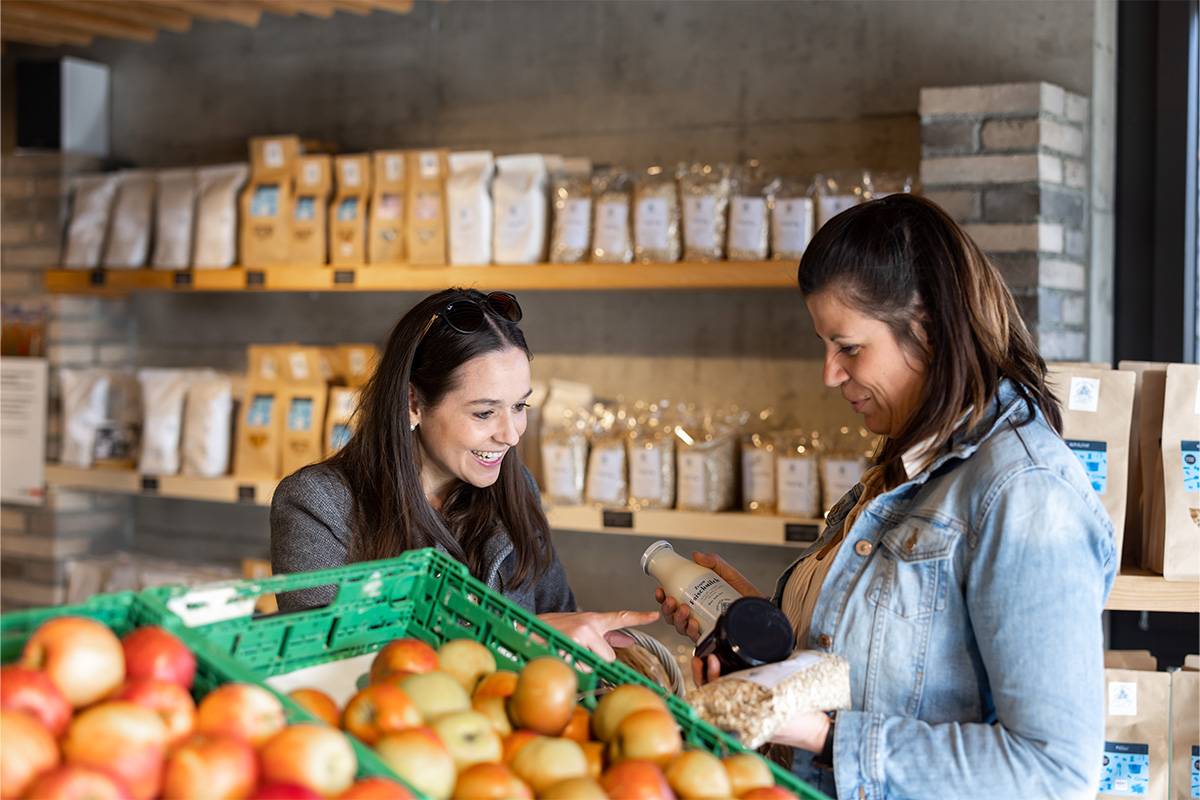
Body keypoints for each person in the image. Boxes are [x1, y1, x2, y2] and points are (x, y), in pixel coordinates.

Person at [658, 195, 1117, 799]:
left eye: (848, 347)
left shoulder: (1025, 495)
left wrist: (824, 736)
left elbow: (1054, 772)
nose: (829, 373)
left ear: (926, 327)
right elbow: (885, 658)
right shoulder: (908, 463)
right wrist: (759, 628)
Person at [272, 287, 657, 660]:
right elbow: (327, 658)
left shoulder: (516, 486)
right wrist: (521, 633)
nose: (510, 434)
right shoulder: (317, 505)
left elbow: (560, 614)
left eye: (519, 406)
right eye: (484, 412)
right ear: (413, 403)